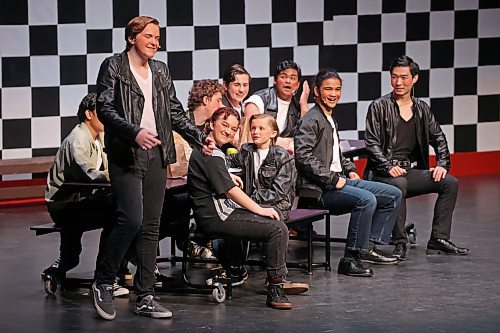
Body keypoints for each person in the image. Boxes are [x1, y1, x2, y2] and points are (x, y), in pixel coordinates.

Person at [92, 16, 214, 321]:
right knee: (130, 219)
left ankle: (145, 295)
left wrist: (198, 138)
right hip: (127, 154)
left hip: (158, 154)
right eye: (149, 36)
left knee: (150, 226)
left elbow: (173, 110)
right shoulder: (114, 66)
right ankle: (104, 280)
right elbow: (105, 108)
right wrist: (133, 131)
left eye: (158, 38)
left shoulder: (160, 70)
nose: (155, 42)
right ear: (132, 38)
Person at [188, 106, 308, 309]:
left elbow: (219, 176)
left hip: (221, 212)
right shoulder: (210, 152)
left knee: (276, 224)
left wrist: (227, 174)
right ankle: (275, 288)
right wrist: (259, 209)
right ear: (211, 124)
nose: (229, 131)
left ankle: (270, 278)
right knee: (277, 229)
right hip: (217, 216)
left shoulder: (212, 150)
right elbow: (230, 191)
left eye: (234, 129)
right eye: (224, 125)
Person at [294, 69, 402, 278]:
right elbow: (303, 157)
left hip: (338, 181)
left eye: (337, 89)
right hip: (319, 190)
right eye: (328, 89)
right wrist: (333, 179)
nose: (333, 94)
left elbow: (335, 154)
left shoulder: (329, 118)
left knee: (393, 194)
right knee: (366, 200)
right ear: (316, 91)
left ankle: (368, 247)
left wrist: (351, 170)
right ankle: (350, 259)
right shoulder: (311, 119)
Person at [364, 55, 470, 260]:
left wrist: (442, 164)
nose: (398, 82)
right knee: (398, 184)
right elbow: (372, 144)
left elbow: (439, 138)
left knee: (450, 183)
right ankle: (400, 241)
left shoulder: (421, 109)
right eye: (394, 77)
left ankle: (438, 238)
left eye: (404, 77)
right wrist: (387, 166)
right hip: (381, 174)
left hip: (408, 171)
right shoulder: (378, 106)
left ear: (415, 79)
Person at [43, 92, 128, 297]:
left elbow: (106, 170)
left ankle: (59, 271)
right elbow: (89, 174)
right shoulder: (78, 139)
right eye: (103, 113)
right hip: (65, 205)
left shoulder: (99, 136)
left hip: (80, 200)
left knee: (72, 257)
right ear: (89, 114)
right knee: (118, 211)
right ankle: (104, 278)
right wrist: (115, 175)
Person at [228, 113, 308, 295]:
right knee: (231, 221)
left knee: (274, 225)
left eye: (261, 128)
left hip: (277, 206)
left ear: (273, 133)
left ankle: (277, 277)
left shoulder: (282, 156)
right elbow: (227, 166)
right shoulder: (245, 151)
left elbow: (278, 192)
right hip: (251, 204)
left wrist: (247, 200)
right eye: (253, 128)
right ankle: (235, 268)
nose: (255, 132)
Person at [243, 60, 310, 151]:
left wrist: (303, 104)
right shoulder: (258, 100)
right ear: (275, 80)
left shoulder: (296, 107)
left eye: (292, 78)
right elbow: (249, 133)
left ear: (298, 85)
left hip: (282, 158)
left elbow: (307, 136)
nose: (288, 81)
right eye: (283, 77)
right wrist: (279, 142)